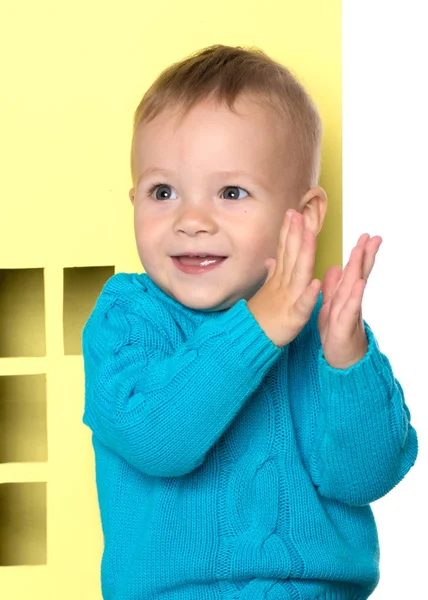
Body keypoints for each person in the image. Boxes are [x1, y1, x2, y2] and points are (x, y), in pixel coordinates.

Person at [82, 44, 418, 600]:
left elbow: (366, 476)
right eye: (163, 192)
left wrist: (348, 359)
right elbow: (158, 440)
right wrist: (257, 330)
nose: (191, 220)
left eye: (232, 192)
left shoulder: (320, 332)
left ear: (304, 215)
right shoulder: (126, 317)